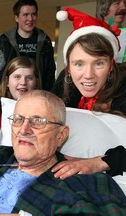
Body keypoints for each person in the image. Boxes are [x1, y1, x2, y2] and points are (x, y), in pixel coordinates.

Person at [52, 8, 126, 179]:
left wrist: (97, 163)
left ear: (110, 65)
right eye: (79, 64)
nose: (88, 74)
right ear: (69, 67)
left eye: (99, 63)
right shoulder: (63, 83)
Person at [0, 0, 55, 91]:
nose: (30, 19)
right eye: (25, 15)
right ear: (16, 18)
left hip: (37, 95)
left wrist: (46, 94)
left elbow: (50, 72)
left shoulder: (45, 41)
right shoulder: (5, 40)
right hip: (10, 94)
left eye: (33, 14)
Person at [0, 56, 41, 140]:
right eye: (17, 77)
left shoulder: (44, 114)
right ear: (7, 82)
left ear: (36, 82)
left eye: (29, 78)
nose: (23, 82)